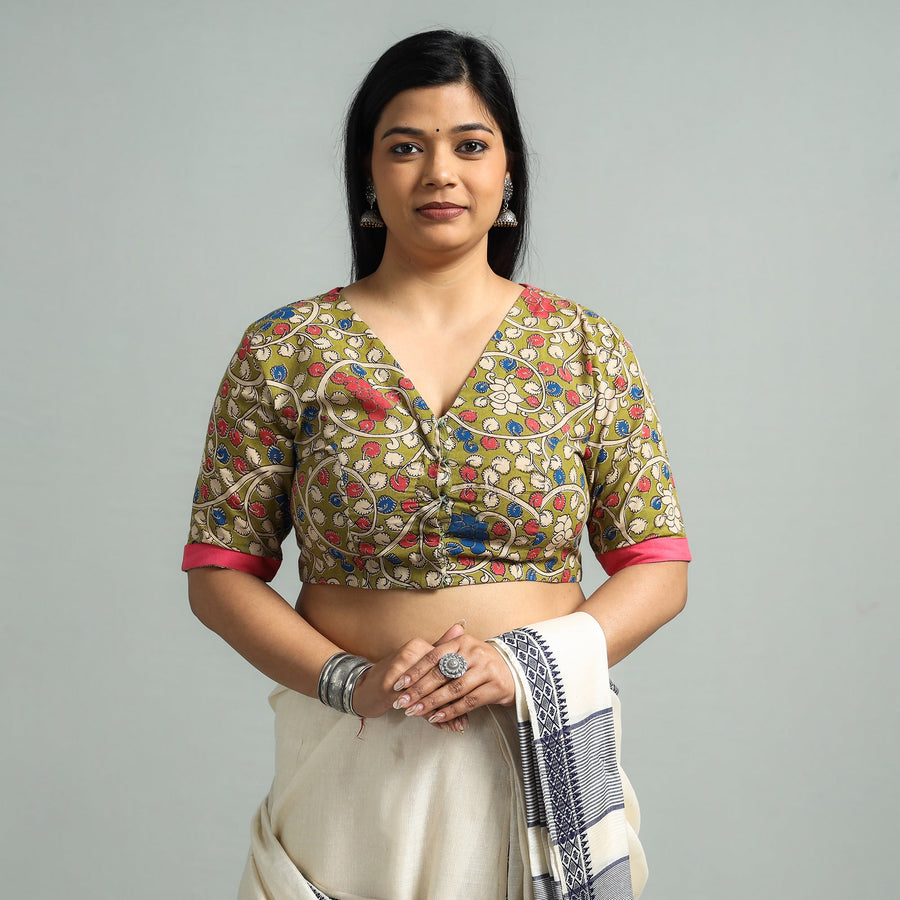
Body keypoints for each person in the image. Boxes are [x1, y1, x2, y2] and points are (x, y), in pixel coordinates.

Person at [183, 29, 691, 900]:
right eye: (405, 147)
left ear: (509, 170)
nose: (440, 173)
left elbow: (659, 567)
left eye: (471, 145)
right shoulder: (288, 348)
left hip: (534, 750)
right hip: (349, 762)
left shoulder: (583, 348)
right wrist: (352, 684)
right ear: (369, 173)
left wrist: (523, 663)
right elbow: (217, 573)